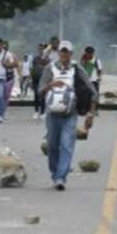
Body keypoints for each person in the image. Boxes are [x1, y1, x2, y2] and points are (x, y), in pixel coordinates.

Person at [39, 40, 97, 191]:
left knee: (66, 145)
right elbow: (40, 90)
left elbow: (92, 91)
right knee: (52, 146)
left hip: (70, 114)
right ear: (58, 53)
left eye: (67, 52)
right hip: (52, 114)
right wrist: (51, 85)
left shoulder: (77, 69)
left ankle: (61, 177)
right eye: (62, 51)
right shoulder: (50, 68)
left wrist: (91, 114)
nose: (64, 54)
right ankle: (55, 174)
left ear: (71, 54)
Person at [80, 46, 103, 114]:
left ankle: (95, 109)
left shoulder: (96, 60)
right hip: (85, 81)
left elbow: (100, 70)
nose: (89, 55)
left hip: (94, 80)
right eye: (88, 53)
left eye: (91, 53)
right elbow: (81, 69)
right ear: (86, 53)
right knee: (85, 96)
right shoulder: (83, 60)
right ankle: (85, 109)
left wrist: (99, 77)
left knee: (95, 95)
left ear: (93, 53)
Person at [30, 44, 48, 119]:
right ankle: (36, 111)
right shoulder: (35, 59)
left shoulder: (47, 59)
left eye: (42, 49)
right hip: (36, 79)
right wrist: (31, 79)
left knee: (43, 96)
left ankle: (43, 112)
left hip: (44, 79)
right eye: (39, 49)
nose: (41, 50)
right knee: (36, 95)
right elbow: (32, 69)